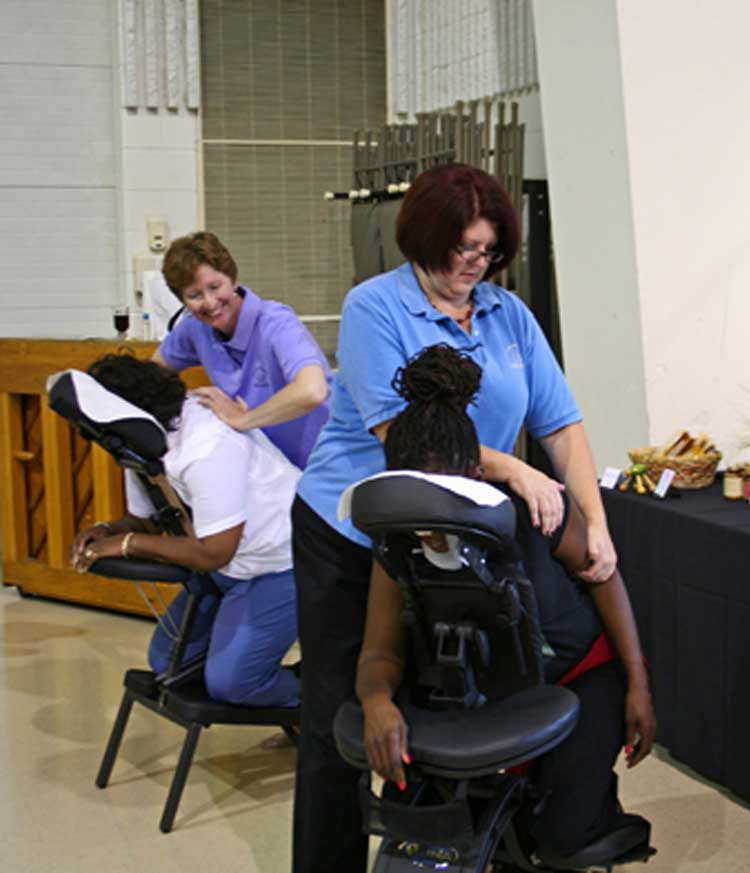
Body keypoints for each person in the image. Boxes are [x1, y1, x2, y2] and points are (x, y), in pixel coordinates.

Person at [291, 162, 623, 873]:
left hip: (455, 536)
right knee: (335, 721)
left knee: (447, 704)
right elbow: (402, 438)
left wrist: (594, 523)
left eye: (487, 250)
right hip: (355, 532)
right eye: (461, 248)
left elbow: (562, 425)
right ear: (423, 239)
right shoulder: (374, 308)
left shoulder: (508, 315)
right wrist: (514, 467)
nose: (473, 263)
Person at [355, 344, 656, 860]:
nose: (425, 518)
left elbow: (604, 578)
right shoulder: (397, 544)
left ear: (475, 475)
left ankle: (591, 813)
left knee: (559, 838)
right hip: (477, 686)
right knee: (427, 817)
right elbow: (380, 652)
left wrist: (638, 682)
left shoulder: (532, 512)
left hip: (576, 674)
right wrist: (376, 700)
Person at [71, 354, 301, 708]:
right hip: (229, 566)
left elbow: (214, 552)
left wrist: (128, 544)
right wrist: (107, 531)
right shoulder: (143, 443)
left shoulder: (206, 445)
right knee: (168, 665)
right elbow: (147, 518)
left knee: (233, 685)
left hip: (281, 563)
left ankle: (329, 702)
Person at [152, 231, 331, 470]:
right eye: (194, 295)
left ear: (233, 279)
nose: (210, 303)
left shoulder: (276, 323)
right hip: (269, 469)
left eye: (215, 287)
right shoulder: (194, 329)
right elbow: (152, 374)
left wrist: (242, 419)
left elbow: (312, 391)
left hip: (322, 467)